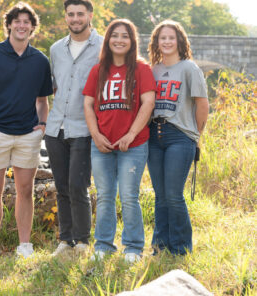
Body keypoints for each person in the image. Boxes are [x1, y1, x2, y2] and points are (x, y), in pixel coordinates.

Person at [0, 2, 53, 263]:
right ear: (9, 25)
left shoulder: (40, 60)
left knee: (25, 189)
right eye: (17, 20)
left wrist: (42, 125)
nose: (21, 25)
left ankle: (24, 245)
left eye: (27, 21)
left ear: (32, 27)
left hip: (27, 135)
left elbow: (42, 100)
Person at [83, 19, 156, 263]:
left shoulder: (141, 69)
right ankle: (103, 246)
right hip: (102, 143)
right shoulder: (98, 70)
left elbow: (148, 103)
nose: (119, 40)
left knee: (128, 196)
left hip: (133, 145)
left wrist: (131, 134)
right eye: (115, 35)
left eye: (125, 36)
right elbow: (88, 104)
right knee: (104, 196)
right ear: (108, 40)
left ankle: (133, 248)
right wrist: (95, 134)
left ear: (132, 41)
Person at [44, 0, 103, 256]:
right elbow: (53, 86)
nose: (75, 19)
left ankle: (82, 242)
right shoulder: (56, 49)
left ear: (90, 15)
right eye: (71, 14)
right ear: (65, 16)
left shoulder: (103, 46)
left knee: (79, 185)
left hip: (84, 127)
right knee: (62, 186)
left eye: (80, 14)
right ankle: (65, 240)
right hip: (56, 128)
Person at [147, 20, 209, 255]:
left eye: (171, 37)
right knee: (160, 195)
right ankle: (160, 247)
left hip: (179, 136)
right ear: (156, 41)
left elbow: (202, 105)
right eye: (162, 38)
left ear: (179, 41)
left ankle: (181, 248)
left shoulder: (189, 68)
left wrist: (195, 136)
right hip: (154, 135)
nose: (167, 42)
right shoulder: (153, 70)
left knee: (173, 195)